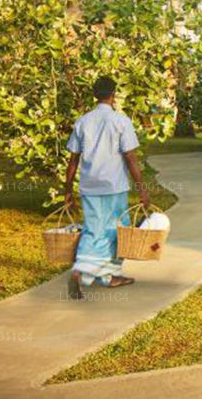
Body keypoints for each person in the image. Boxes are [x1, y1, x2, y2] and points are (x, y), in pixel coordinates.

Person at [63, 76, 152, 299]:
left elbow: (73, 160)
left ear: (95, 95)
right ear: (113, 94)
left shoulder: (82, 122)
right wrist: (142, 189)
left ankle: (89, 273)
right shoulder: (121, 121)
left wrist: (67, 191)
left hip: (89, 186)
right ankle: (99, 274)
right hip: (114, 186)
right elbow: (130, 157)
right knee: (116, 231)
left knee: (93, 229)